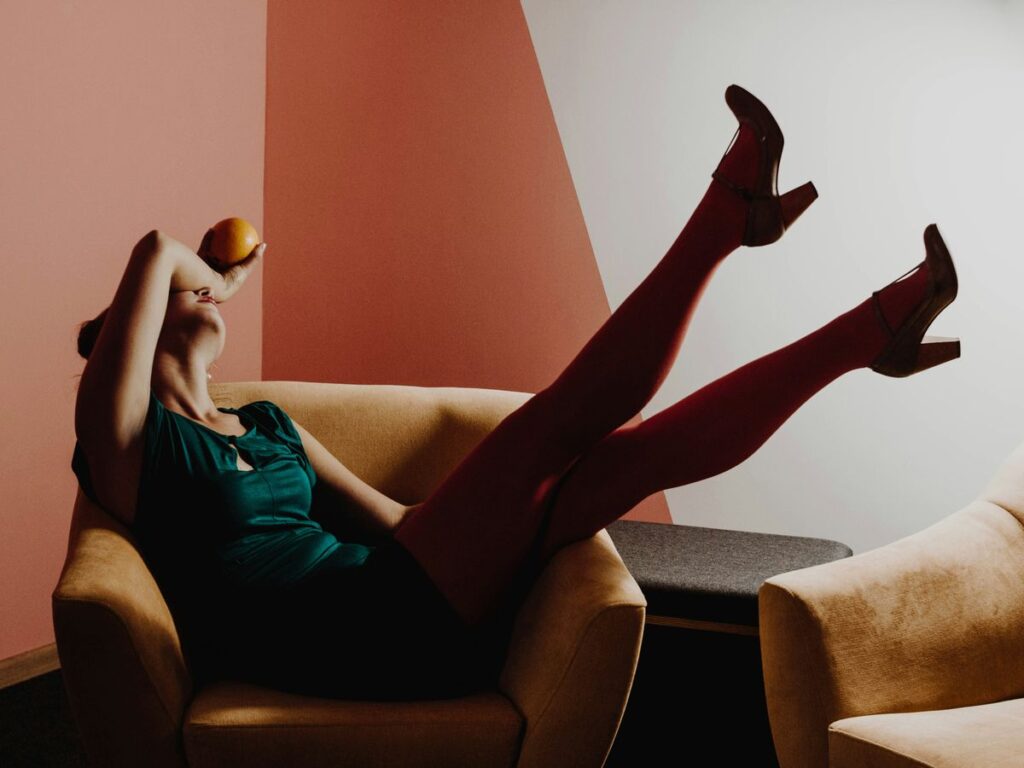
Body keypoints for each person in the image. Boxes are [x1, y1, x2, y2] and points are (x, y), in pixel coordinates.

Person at [71, 83, 960, 702]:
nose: (194, 284)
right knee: (566, 414)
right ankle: (731, 218)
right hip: (371, 633)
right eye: (175, 295)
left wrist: (497, 515)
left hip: (410, 583)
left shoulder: (267, 426)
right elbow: (155, 246)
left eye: (204, 284)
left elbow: (394, 523)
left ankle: (868, 333)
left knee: (624, 457)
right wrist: (214, 274)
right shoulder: (129, 449)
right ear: (131, 334)